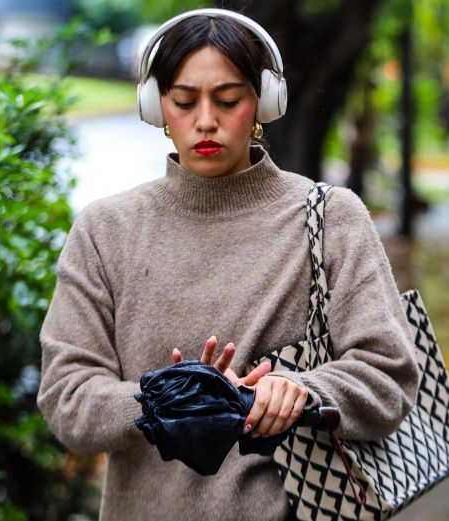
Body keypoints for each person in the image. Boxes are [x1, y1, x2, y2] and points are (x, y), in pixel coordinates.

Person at [37, 8, 418, 521]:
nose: (206, 120)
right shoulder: (106, 231)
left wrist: (302, 391)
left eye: (229, 99)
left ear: (264, 101)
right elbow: (67, 398)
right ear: (156, 107)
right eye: (184, 100)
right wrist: (169, 402)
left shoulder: (330, 219)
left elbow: (389, 378)